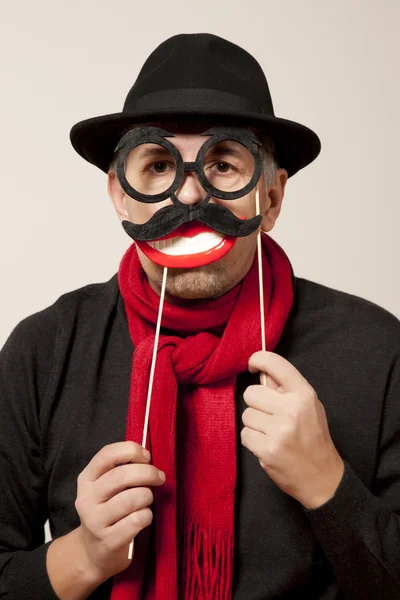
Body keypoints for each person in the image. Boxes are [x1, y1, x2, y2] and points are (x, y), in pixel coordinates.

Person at [0, 32, 399, 600]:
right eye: (159, 165)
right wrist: (83, 557)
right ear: (119, 194)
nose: (188, 197)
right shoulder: (45, 351)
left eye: (224, 164)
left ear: (273, 198)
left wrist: (328, 486)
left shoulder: (378, 350)